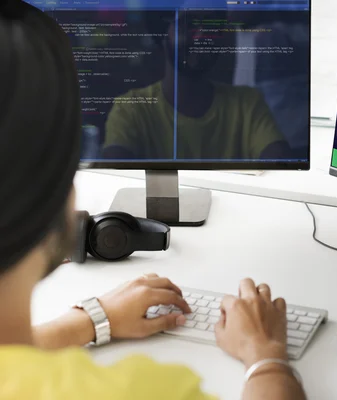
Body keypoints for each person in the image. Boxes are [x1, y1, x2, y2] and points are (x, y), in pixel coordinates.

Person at [0, 1, 305, 399]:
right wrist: (266, 356)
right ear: (56, 196)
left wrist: (93, 318)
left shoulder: (244, 103)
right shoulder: (143, 389)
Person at [102, 9, 292, 161]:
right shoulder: (130, 108)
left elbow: (280, 162)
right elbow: (115, 173)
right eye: (188, 24)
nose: (202, 36)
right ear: (161, 33)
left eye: (211, 26)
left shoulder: (247, 103)